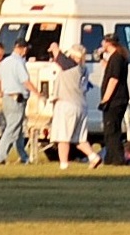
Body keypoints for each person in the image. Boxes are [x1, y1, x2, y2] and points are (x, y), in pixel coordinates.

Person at [47, 38, 101, 168]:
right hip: (81, 105)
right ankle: (93, 157)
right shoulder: (84, 69)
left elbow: (57, 52)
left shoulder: (70, 66)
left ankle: (64, 165)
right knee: (79, 138)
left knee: (63, 138)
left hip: (67, 104)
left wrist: (53, 46)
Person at [0, 36, 32, 164]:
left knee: (18, 129)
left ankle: (23, 156)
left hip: (6, 98)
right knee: (12, 128)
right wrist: (37, 93)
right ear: (23, 49)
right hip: (17, 99)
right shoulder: (19, 62)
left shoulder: (5, 61)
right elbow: (25, 81)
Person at [98, 28, 130, 165]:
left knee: (112, 129)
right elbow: (108, 69)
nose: (101, 44)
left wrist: (106, 98)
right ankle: (110, 158)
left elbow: (114, 79)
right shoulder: (115, 58)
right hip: (117, 99)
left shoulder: (117, 58)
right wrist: (101, 58)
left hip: (115, 99)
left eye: (103, 42)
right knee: (109, 128)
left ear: (108, 43)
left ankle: (117, 159)